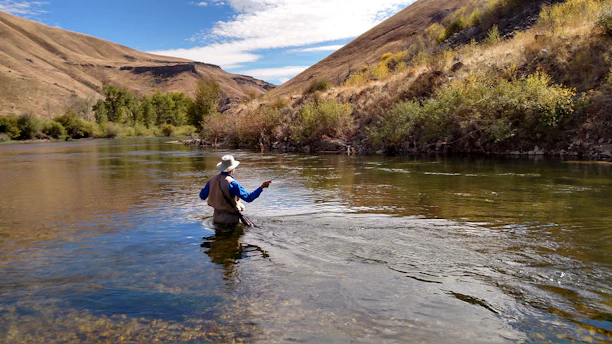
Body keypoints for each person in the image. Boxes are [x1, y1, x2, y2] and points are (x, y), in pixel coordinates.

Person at [200, 155, 272, 225]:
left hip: (216, 218)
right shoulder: (232, 183)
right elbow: (249, 198)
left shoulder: (211, 180)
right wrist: (262, 187)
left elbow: (202, 196)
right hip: (230, 219)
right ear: (232, 169)